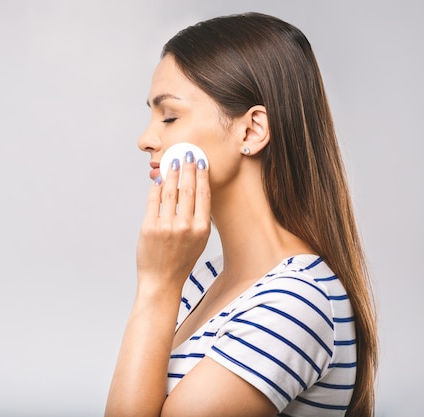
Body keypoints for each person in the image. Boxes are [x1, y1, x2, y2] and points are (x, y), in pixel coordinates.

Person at [105, 12, 377, 417]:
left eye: (170, 116)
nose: (146, 139)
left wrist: (157, 286)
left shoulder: (296, 302)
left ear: (250, 132)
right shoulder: (207, 278)